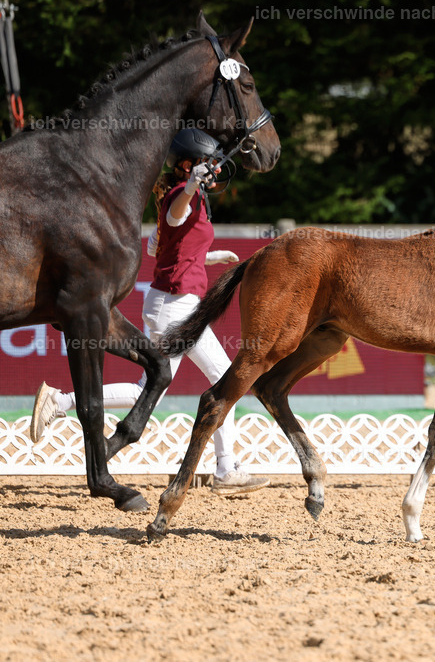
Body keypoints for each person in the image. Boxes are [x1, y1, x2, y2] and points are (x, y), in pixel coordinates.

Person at [31, 128, 269, 496]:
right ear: (187, 165)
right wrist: (190, 187)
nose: (213, 170)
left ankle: (60, 401)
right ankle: (226, 468)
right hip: (177, 307)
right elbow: (174, 219)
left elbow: (162, 250)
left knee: (149, 389)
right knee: (225, 378)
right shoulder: (179, 196)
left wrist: (210, 257)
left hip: (170, 304)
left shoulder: (188, 197)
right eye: (206, 164)